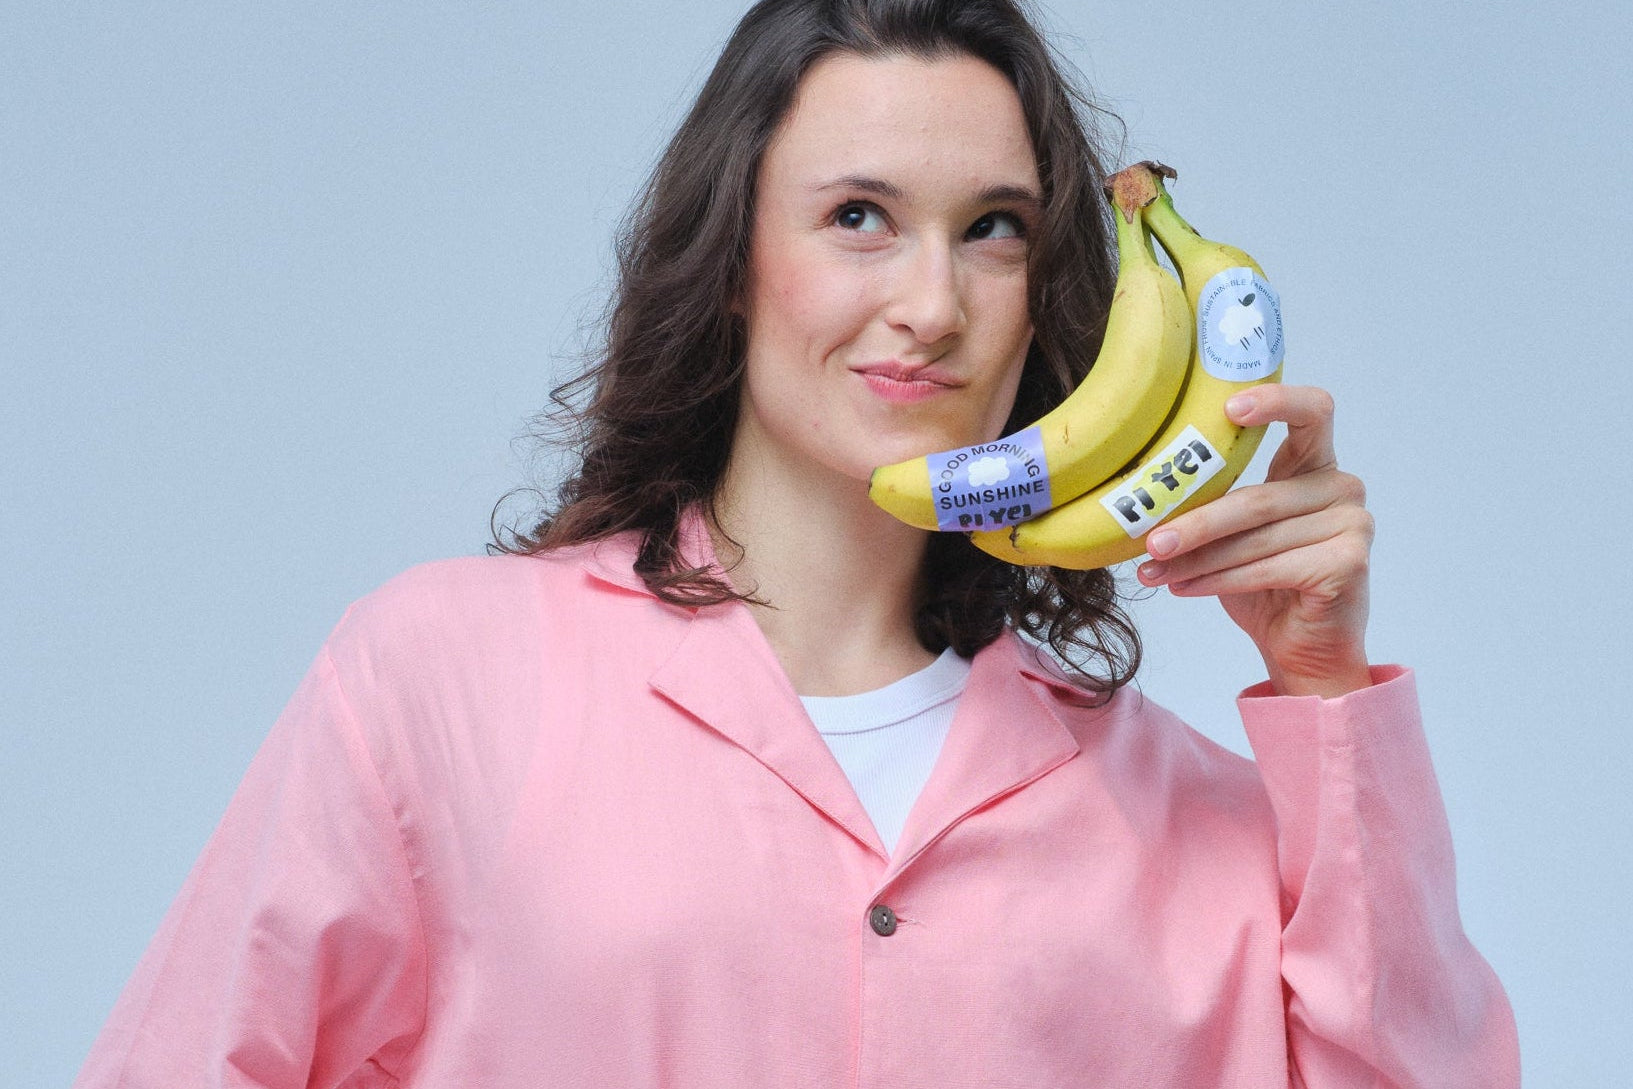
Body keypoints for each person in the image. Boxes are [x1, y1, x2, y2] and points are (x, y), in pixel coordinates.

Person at [74, 0, 1520, 1085]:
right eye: (857, 217)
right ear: (730, 266)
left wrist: (1327, 695)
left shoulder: (1190, 822)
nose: (931, 304)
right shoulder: (441, 678)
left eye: (994, 230)